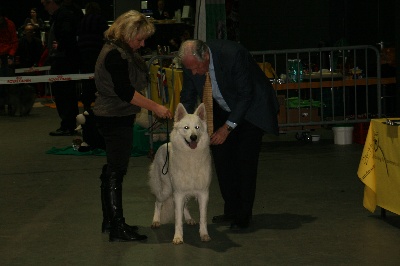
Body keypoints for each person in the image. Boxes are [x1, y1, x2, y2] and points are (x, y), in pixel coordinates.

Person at [178, 39, 279, 231]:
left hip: (251, 110)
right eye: (189, 69)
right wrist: (183, 121)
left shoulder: (233, 54)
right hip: (223, 106)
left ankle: (243, 216)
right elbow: (188, 95)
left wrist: (227, 128)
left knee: (244, 162)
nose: (193, 73)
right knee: (222, 158)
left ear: (206, 57)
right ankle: (231, 209)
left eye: (196, 68)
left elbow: (245, 94)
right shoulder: (191, 63)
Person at [94, 10, 172, 242]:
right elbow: (125, 92)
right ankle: (117, 227)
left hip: (114, 116)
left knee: (112, 170)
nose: (143, 43)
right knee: (116, 171)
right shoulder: (115, 55)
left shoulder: (118, 51)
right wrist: (155, 107)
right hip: (114, 118)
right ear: (127, 34)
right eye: (140, 39)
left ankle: (111, 221)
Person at [42, 0, 80, 136]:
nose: (44, 8)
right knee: (65, 94)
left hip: (63, 60)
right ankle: (68, 124)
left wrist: (60, 46)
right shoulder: (62, 15)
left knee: (64, 94)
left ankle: (68, 125)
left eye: (45, 4)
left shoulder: (63, 16)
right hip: (63, 59)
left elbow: (67, 36)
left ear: (52, 2)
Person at [77, 1, 108, 111]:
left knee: (86, 80)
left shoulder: (82, 21)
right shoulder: (100, 20)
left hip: (84, 53)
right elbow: (107, 35)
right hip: (97, 53)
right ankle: (98, 101)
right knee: (98, 78)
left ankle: (86, 104)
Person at [0, 7, 18, 115]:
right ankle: (1, 105)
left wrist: (10, 56)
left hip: (8, 56)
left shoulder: (10, 24)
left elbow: (14, 41)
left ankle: (11, 105)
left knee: (10, 83)